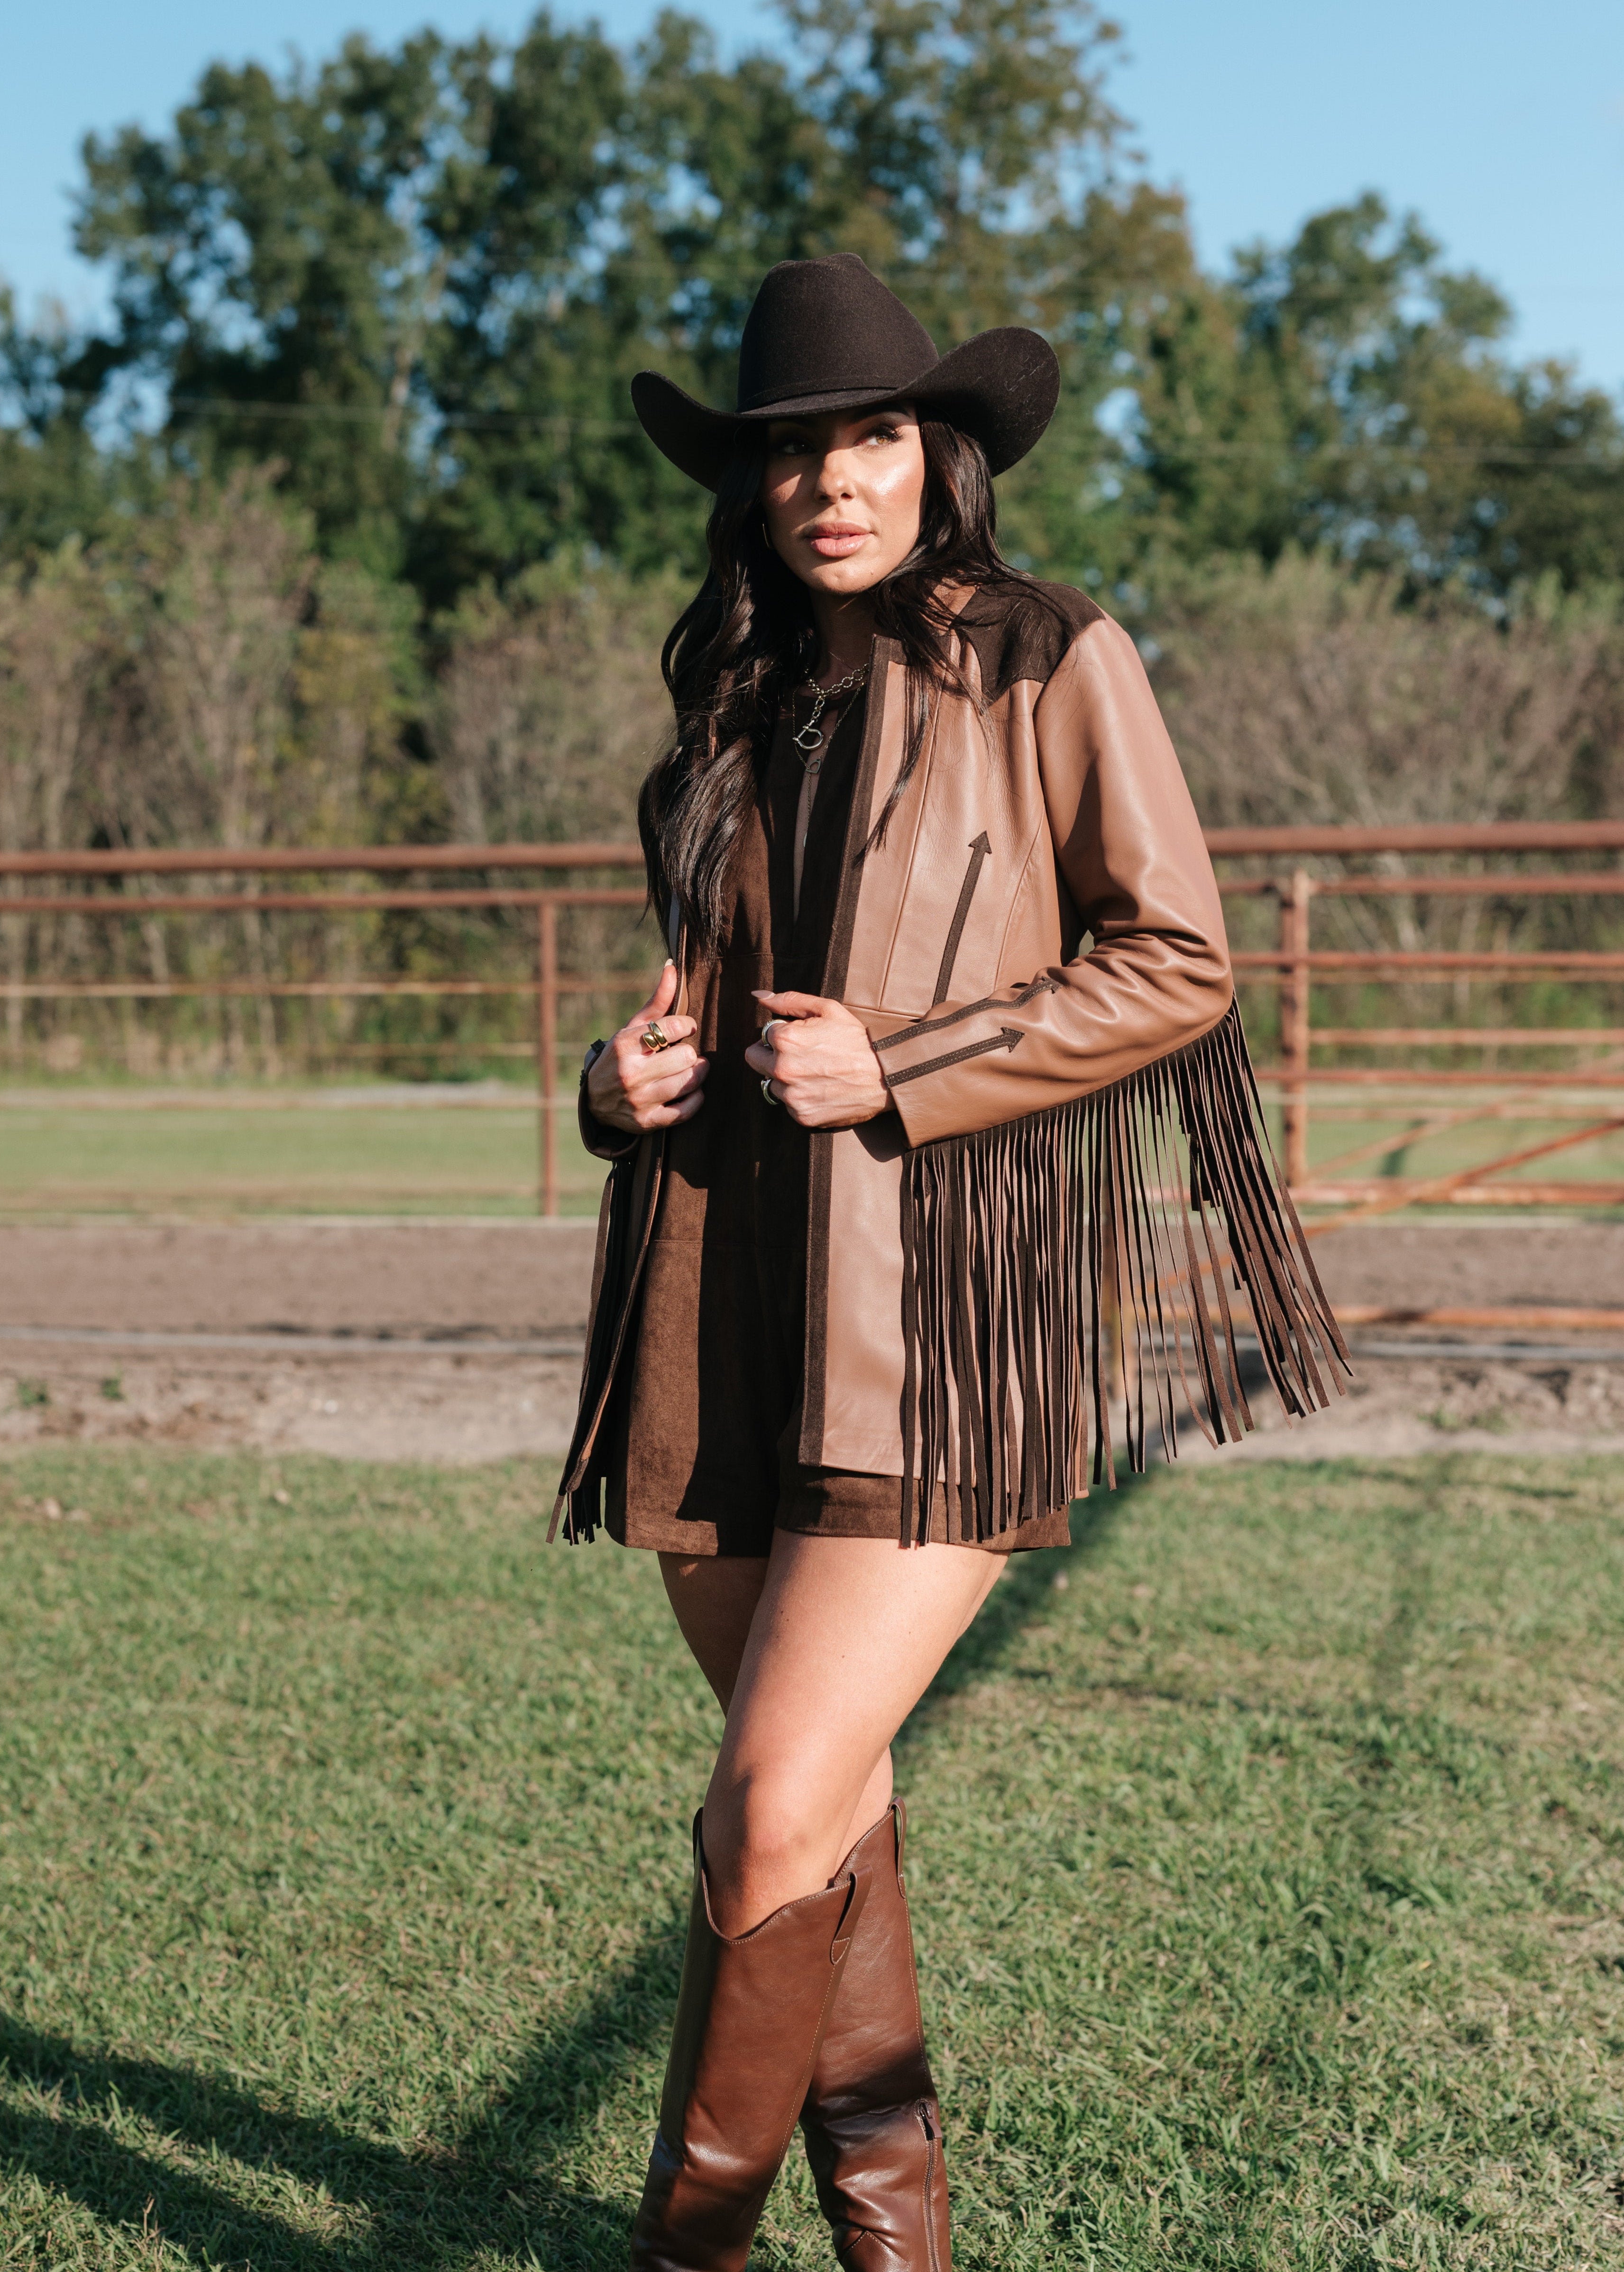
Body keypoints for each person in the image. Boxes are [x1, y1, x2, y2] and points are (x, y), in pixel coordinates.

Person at [555, 254, 1345, 2272]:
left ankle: (685, 2253)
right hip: (719, 1298)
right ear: (747, 491)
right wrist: (623, 1072)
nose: (831, 480)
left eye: (869, 437)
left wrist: (903, 1063)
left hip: (939, 1323)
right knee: (820, 1817)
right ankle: (894, 2244)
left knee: (759, 1813)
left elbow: (1175, 965)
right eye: (790, 452)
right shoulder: (732, 692)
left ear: (941, 457)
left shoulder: (1055, 658)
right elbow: (710, 991)